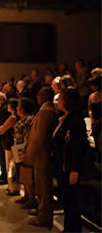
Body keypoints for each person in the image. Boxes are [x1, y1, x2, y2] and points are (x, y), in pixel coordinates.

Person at [52, 89, 90, 232]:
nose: (58, 101)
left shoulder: (75, 121)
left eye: (60, 98)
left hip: (69, 167)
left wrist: (74, 169)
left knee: (72, 202)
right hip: (62, 166)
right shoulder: (65, 117)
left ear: (67, 101)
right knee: (67, 201)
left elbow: (76, 146)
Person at [24, 87, 58, 228]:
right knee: (40, 186)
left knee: (44, 188)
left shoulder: (46, 111)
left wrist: (30, 154)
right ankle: (41, 211)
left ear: (44, 96)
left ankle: (44, 217)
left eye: (39, 94)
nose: (37, 96)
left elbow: (39, 137)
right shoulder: (45, 109)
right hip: (41, 155)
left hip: (42, 155)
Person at [14, 98, 35, 208]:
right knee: (22, 174)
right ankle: (26, 195)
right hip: (19, 148)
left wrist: (25, 151)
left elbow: (28, 136)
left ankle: (31, 199)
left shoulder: (28, 120)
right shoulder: (23, 118)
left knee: (27, 174)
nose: (16, 108)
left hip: (24, 149)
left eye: (18, 106)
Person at [0, 98, 19, 194]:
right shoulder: (15, 116)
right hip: (13, 143)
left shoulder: (13, 118)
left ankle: (12, 188)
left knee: (9, 166)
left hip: (10, 143)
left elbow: (2, 129)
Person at [88, 73, 102, 163]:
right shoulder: (92, 96)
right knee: (96, 144)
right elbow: (89, 109)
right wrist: (93, 120)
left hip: (100, 122)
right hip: (95, 123)